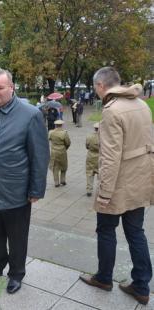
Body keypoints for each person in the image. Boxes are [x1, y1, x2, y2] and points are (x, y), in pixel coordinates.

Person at [0, 68, 49, 294]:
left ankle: (16, 274)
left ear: (11, 88)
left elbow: (40, 156)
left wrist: (36, 189)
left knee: (17, 236)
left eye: (0, 88)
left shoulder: (30, 114)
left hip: (17, 189)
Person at [79, 67, 153, 306]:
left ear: (101, 86)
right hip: (140, 179)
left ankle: (103, 278)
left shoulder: (112, 111)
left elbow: (110, 158)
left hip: (119, 183)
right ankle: (142, 286)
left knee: (106, 230)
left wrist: (105, 193)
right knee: (136, 233)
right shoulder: (141, 105)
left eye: (95, 88)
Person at [48, 120, 71, 187]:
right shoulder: (64, 133)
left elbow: (49, 139)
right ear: (62, 125)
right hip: (62, 151)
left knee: (55, 166)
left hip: (54, 151)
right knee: (64, 165)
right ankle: (62, 180)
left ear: (55, 125)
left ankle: (56, 182)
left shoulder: (51, 132)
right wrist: (65, 148)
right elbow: (68, 143)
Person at [85, 122, 99, 197]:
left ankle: (89, 190)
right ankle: (100, 190)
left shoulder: (89, 136)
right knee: (101, 174)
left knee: (89, 173)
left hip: (90, 155)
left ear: (94, 128)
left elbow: (87, 146)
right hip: (100, 156)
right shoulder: (104, 137)